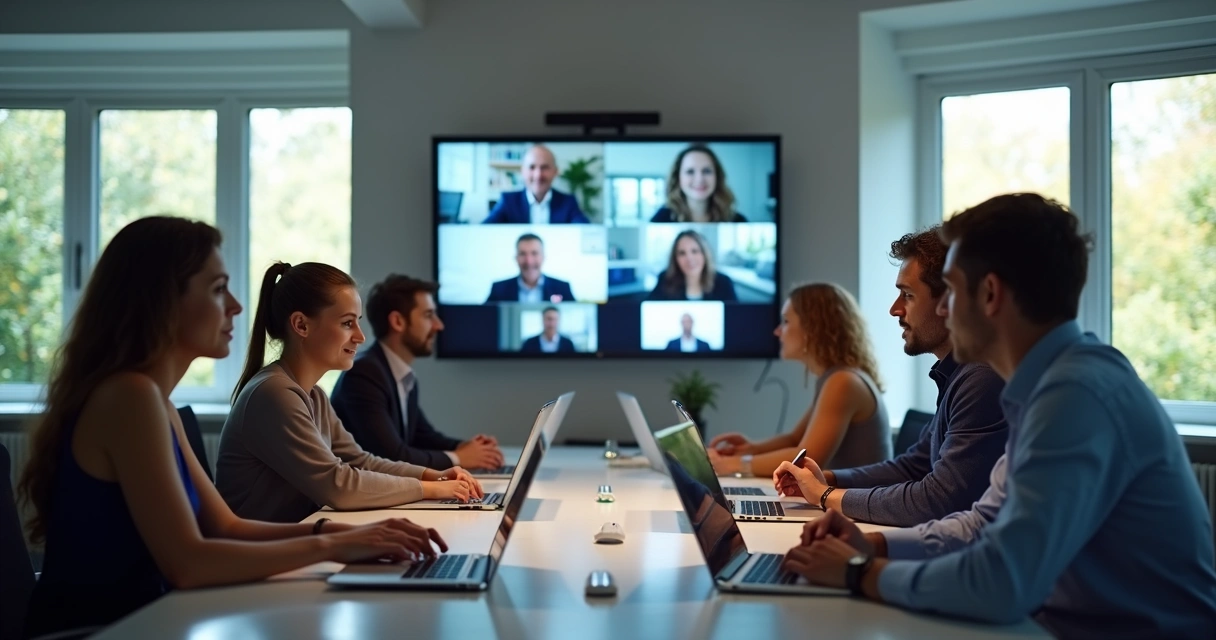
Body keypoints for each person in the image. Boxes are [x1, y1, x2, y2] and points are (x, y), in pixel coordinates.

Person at [779, 194, 1216, 638]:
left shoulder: (1075, 395)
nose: (943, 309)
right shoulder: (1048, 384)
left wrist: (858, 571)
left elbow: (999, 583)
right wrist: (874, 545)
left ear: (989, 294)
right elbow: (980, 525)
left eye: (952, 291)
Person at [16, 218, 448, 638]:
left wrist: (341, 532)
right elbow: (188, 564)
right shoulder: (130, 398)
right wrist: (334, 545)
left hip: (150, 618)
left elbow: (227, 527)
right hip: (102, 629)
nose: (238, 306)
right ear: (162, 300)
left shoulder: (155, 402)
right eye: (219, 288)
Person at [769, 227, 1007, 526]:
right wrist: (826, 479)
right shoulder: (957, 374)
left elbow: (938, 500)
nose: (895, 309)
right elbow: (912, 468)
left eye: (908, 295)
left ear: (949, 302)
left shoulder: (981, 378)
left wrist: (826, 495)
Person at [217, 261, 483, 524]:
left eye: (357, 322)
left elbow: (360, 461)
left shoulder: (314, 396)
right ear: (301, 325)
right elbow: (338, 486)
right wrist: (431, 489)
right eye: (347, 323)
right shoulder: (274, 393)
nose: (360, 337)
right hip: (264, 550)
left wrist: (433, 475)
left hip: (296, 538)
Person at [708, 283, 890, 477]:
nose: (777, 331)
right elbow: (795, 439)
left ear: (813, 330)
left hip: (857, 497)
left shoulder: (843, 382)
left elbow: (806, 459)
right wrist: (752, 449)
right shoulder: (837, 377)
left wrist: (734, 464)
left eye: (786, 321)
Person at [331, 274, 505, 470]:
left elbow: (422, 437)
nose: (439, 325)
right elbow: (391, 456)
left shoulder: (399, 375)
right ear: (398, 321)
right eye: (429, 315)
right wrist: (458, 458)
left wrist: (470, 448)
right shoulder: (364, 374)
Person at [483, 144, 589, 224]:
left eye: (544, 167)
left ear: (555, 171)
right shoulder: (508, 201)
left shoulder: (568, 202)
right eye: (532, 167)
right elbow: (484, 230)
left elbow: (585, 230)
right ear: (523, 171)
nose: (538, 175)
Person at [650, 145, 747, 222]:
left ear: (717, 177)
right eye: (690, 171)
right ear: (678, 177)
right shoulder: (660, 219)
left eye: (707, 171)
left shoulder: (738, 220)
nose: (699, 179)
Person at [646, 230, 738, 301]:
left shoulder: (724, 283)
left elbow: (734, 317)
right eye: (682, 253)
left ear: (705, 254)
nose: (689, 258)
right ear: (675, 259)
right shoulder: (665, 279)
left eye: (695, 251)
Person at [485, 233, 576, 303]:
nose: (529, 261)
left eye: (534, 253)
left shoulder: (562, 288)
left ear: (543, 257)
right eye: (522, 254)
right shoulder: (499, 290)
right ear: (516, 258)